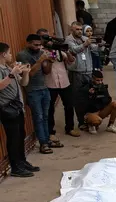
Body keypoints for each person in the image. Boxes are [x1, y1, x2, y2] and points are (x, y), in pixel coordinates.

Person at [18, 35, 63, 154]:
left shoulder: (41, 53)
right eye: (35, 45)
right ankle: (43, 143)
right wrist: (40, 60)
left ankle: (47, 140)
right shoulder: (23, 55)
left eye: (39, 45)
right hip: (33, 91)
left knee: (46, 116)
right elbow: (30, 74)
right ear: (28, 43)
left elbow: (47, 72)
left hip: (44, 88)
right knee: (38, 118)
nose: (38, 47)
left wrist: (50, 61)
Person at [0, 42, 37, 177]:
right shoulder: (3, 70)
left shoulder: (9, 67)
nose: (11, 55)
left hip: (17, 108)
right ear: (3, 54)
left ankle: (22, 162)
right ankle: (16, 167)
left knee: (20, 135)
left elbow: (24, 83)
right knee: (13, 138)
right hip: (7, 109)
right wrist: (11, 74)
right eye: (9, 53)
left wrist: (25, 73)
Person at [37, 29, 79, 140]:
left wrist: (65, 49)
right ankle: (51, 132)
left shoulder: (58, 49)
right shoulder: (41, 52)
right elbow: (46, 71)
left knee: (69, 105)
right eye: (43, 37)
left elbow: (71, 61)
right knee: (50, 109)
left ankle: (70, 128)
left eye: (47, 36)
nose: (46, 39)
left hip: (64, 82)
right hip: (50, 83)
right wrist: (50, 58)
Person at [66, 21, 95, 130]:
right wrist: (85, 44)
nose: (79, 31)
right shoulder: (69, 40)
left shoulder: (84, 38)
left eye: (80, 29)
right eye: (76, 29)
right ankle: (81, 122)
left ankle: (90, 120)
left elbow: (95, 49)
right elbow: (74, 50)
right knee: (78, 98)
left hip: (88, 71)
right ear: (72, 30)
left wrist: (95, 43)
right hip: (76, 72)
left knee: (90, 96)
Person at [83, 70, 116, 134]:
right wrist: (90, 95)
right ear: (92, 79)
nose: (100, 82)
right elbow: (84, 105)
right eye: (98, 80)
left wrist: (101, 95)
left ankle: (110, 125)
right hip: (90, 113)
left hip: (100, 110)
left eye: (101, 80)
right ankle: (90, 125)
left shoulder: (102, 86)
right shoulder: (87, 88)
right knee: (98, 121)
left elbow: (109, 99)